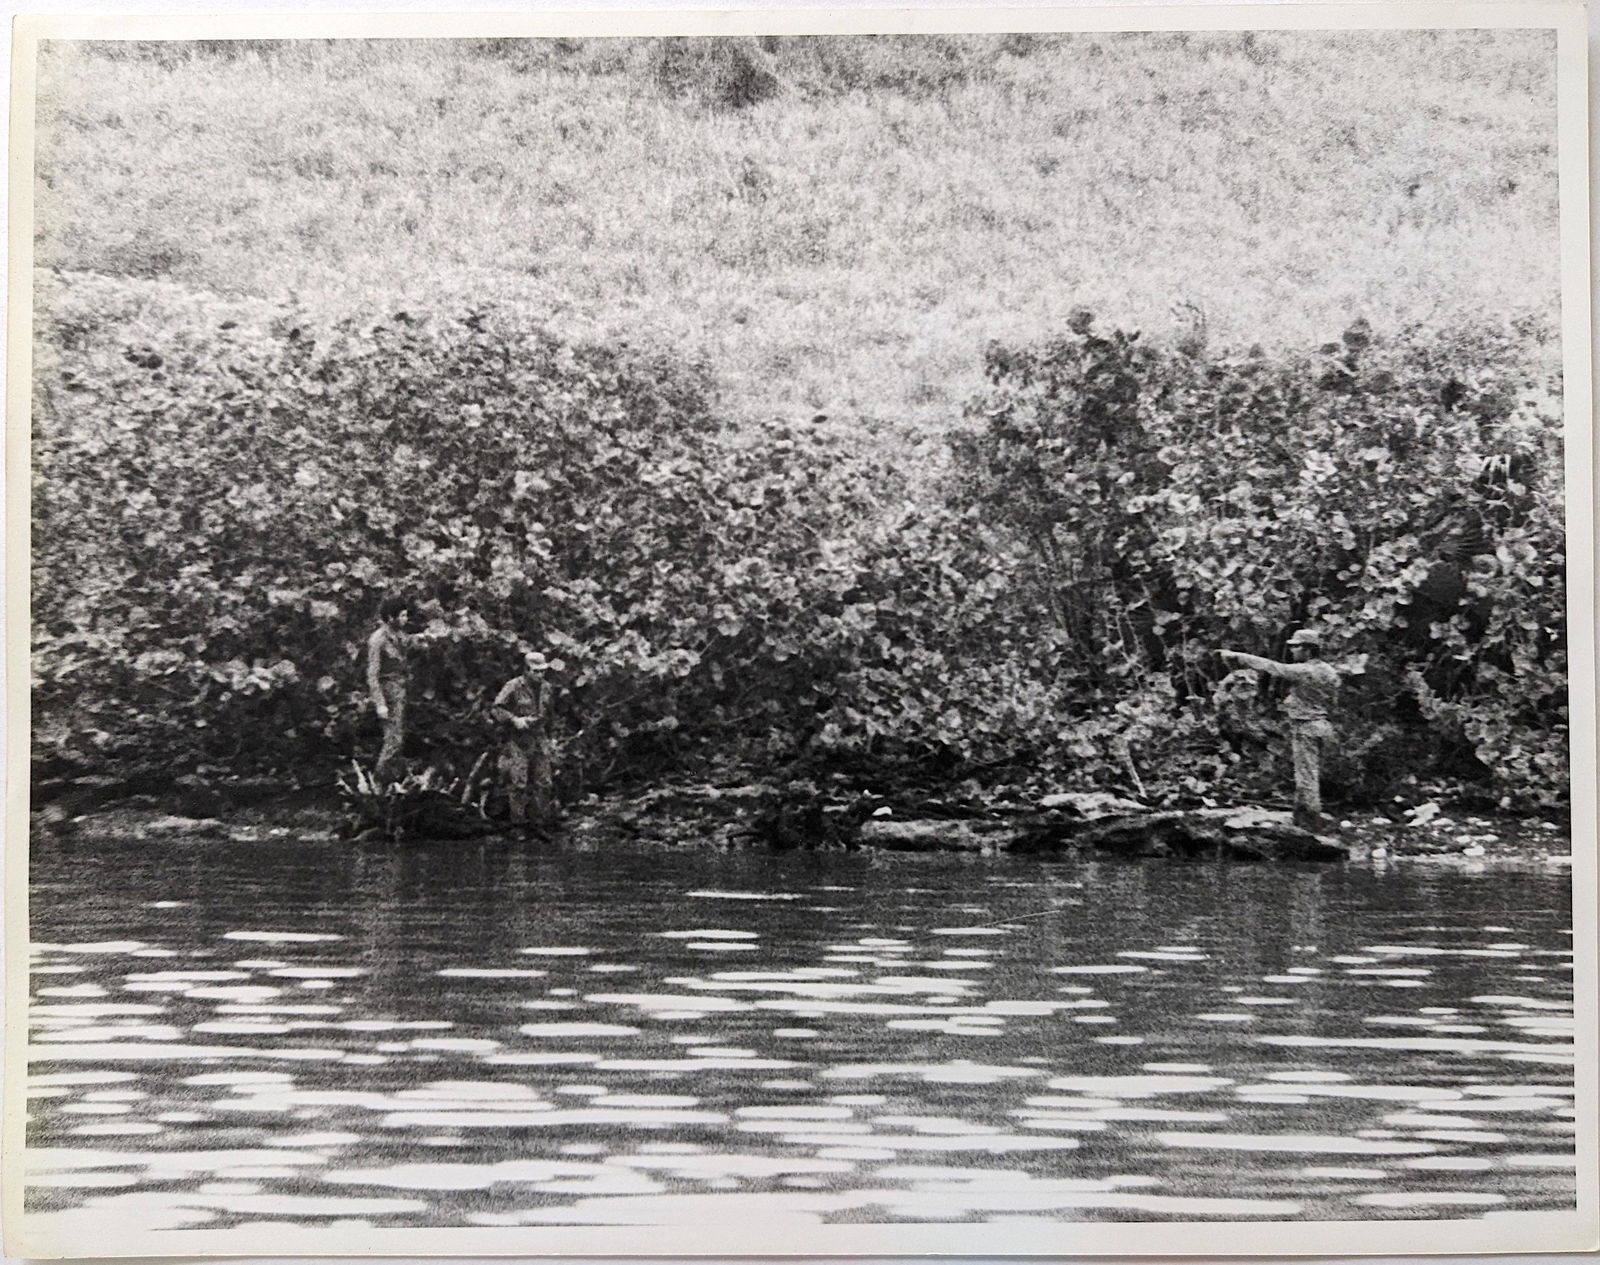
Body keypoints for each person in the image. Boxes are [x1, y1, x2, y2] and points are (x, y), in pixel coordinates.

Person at [1218, 629, 1341, 827]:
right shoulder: (1329, 671)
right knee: (1311, 772)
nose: (1292, 651)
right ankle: (1306, 818)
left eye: (1296, 647)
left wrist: (1238, 657)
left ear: (1308, 650)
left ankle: (1308, 821)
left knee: (1305, 776)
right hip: (1322, 726)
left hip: (1306, 727)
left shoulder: (1306, 671)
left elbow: (1274, 667)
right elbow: (1333, 702)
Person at [491, 667, 555, 826]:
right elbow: (497, 708)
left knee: (544, 782)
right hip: (518, 740)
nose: (540, 675)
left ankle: (541, 823)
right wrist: (514, 719)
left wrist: (551, 737)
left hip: (540, 738)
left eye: (542, 671)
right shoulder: (513, 686)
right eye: (536, 671)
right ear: (526, 670)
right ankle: (518, 825)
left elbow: (550, 713)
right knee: (518, 783)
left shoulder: (547, 687)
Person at [366, 597, 414, 780]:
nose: (405, 619)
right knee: (393, 739)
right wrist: (380, 704)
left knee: (397, 738)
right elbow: (372, 675)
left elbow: (410, 643)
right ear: (390, 617)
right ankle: (379, 780)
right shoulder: (377, 640)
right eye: (402, 616)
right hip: (388, 693)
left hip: (399, 691)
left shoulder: (398, 634)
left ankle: (393, 779)